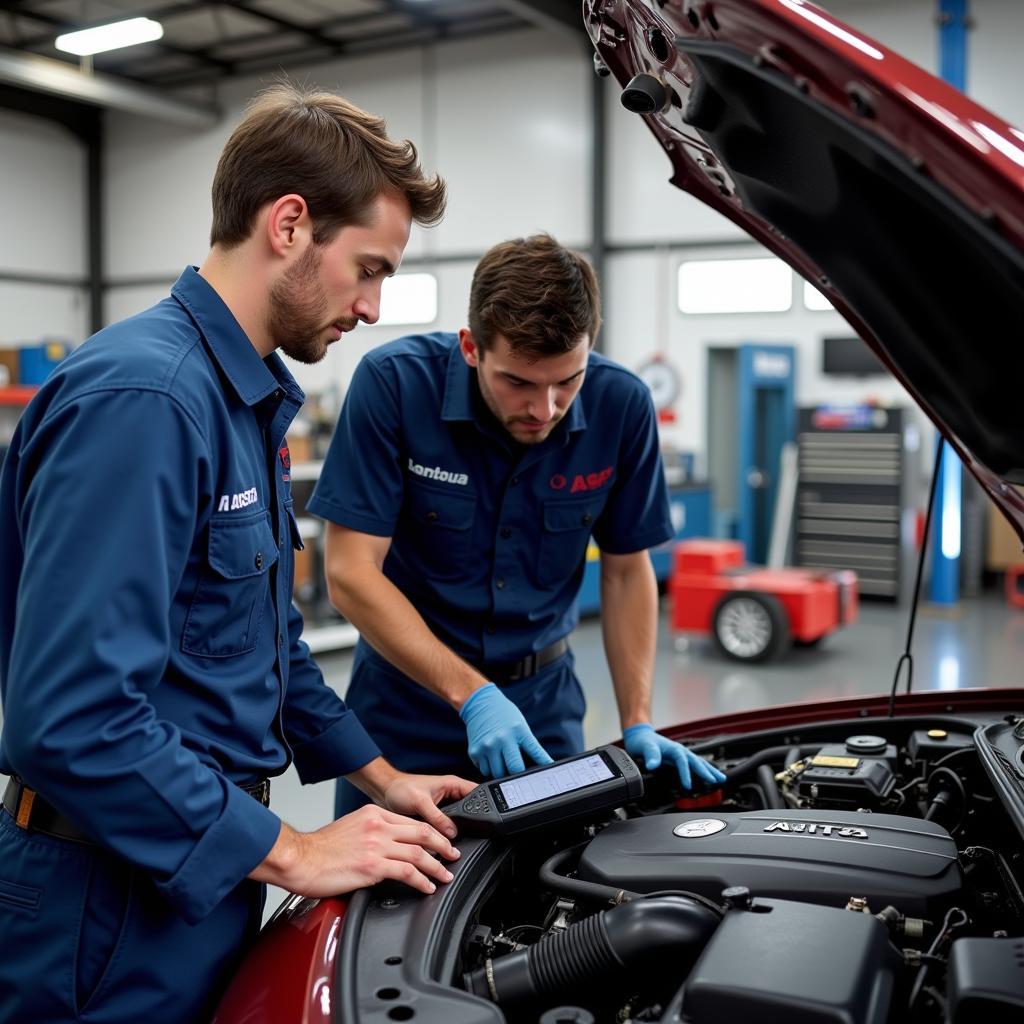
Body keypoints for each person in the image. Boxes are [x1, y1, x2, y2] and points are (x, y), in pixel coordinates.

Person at [0, 84, 477, 1024]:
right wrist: (295, 851)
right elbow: (70, 714)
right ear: (290, 223)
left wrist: (382, 779)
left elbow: (263, 644)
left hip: (199, 865)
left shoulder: (241, 403)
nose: (374, 308)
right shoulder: (148, 401)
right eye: (368, 268)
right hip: (106, 900)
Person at [307, 233, 727, 818]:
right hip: (403, 710)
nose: (545, 409)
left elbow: (628, 573)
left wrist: (637, 720)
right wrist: (473, 694)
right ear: (471, 347)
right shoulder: (395, 386)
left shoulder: (622, 406)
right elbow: (351, 573)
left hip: (541, 714)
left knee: (545, 896)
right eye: (520, 383)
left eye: (568, 381)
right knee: (379, 903)